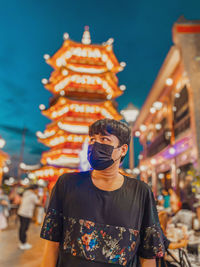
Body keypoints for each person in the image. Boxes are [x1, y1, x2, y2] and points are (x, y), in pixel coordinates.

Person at [40, 119, 165, 267]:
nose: (95, 144)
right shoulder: (67, 184)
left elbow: (148, 253)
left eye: (104, 139)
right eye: (92, 139)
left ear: (123, 150)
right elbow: (51, 244)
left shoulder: (141, 192)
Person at [17, 184, 42, 250]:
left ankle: (21, 242)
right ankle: (23, 243)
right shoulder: (33, 196)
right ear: (34, 189)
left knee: (22, 228)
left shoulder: (26, 193)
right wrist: (41, 196)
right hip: (26, 213)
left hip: (21, 212)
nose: (37, 191)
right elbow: (39, 203)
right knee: (24, 228)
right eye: (37, 190)